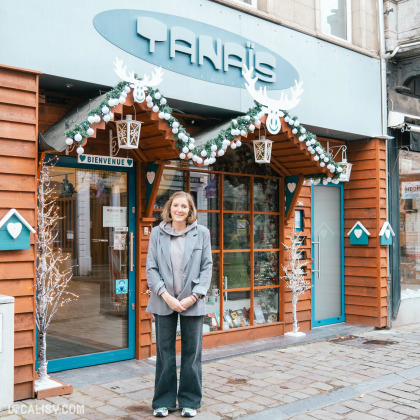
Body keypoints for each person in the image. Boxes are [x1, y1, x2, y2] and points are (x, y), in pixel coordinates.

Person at [146, 191, 213, 418]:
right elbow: (151, 268)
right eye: (176, 206)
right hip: (164, 300)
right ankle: (162, 402)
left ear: (190, 210)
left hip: (191, 302)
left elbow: (207, 268)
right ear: (170, 208)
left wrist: (193, 297)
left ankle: (190, 402)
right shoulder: (157, 233)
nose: (180, 210)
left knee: (192, 353)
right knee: (164, 353)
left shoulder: (202, 233)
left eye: (184, 206)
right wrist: (166, 296)